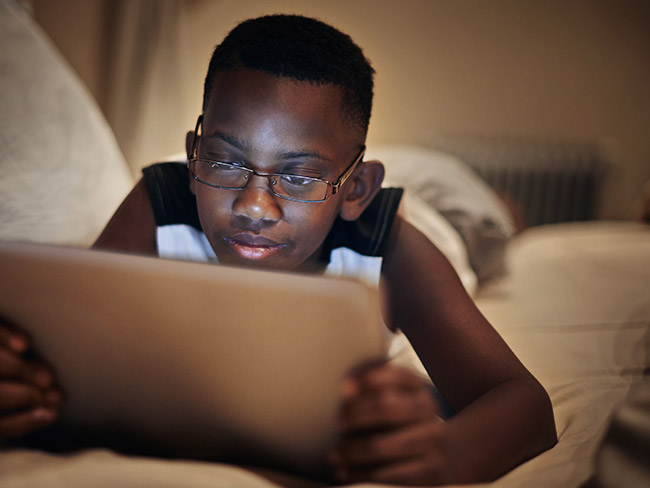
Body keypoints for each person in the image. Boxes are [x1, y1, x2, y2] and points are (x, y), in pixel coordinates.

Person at [0, 14, 556, 485]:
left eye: (296, 176)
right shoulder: (159, 202)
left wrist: (448, 456)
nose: (254, 208)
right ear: (193, 157)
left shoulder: (390, 245)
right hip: (332, 193)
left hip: (442, 227)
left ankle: (505, 209)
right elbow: (66, 351)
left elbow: (522, 402)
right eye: (225, 161)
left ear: (358, 190)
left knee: (479, 216)